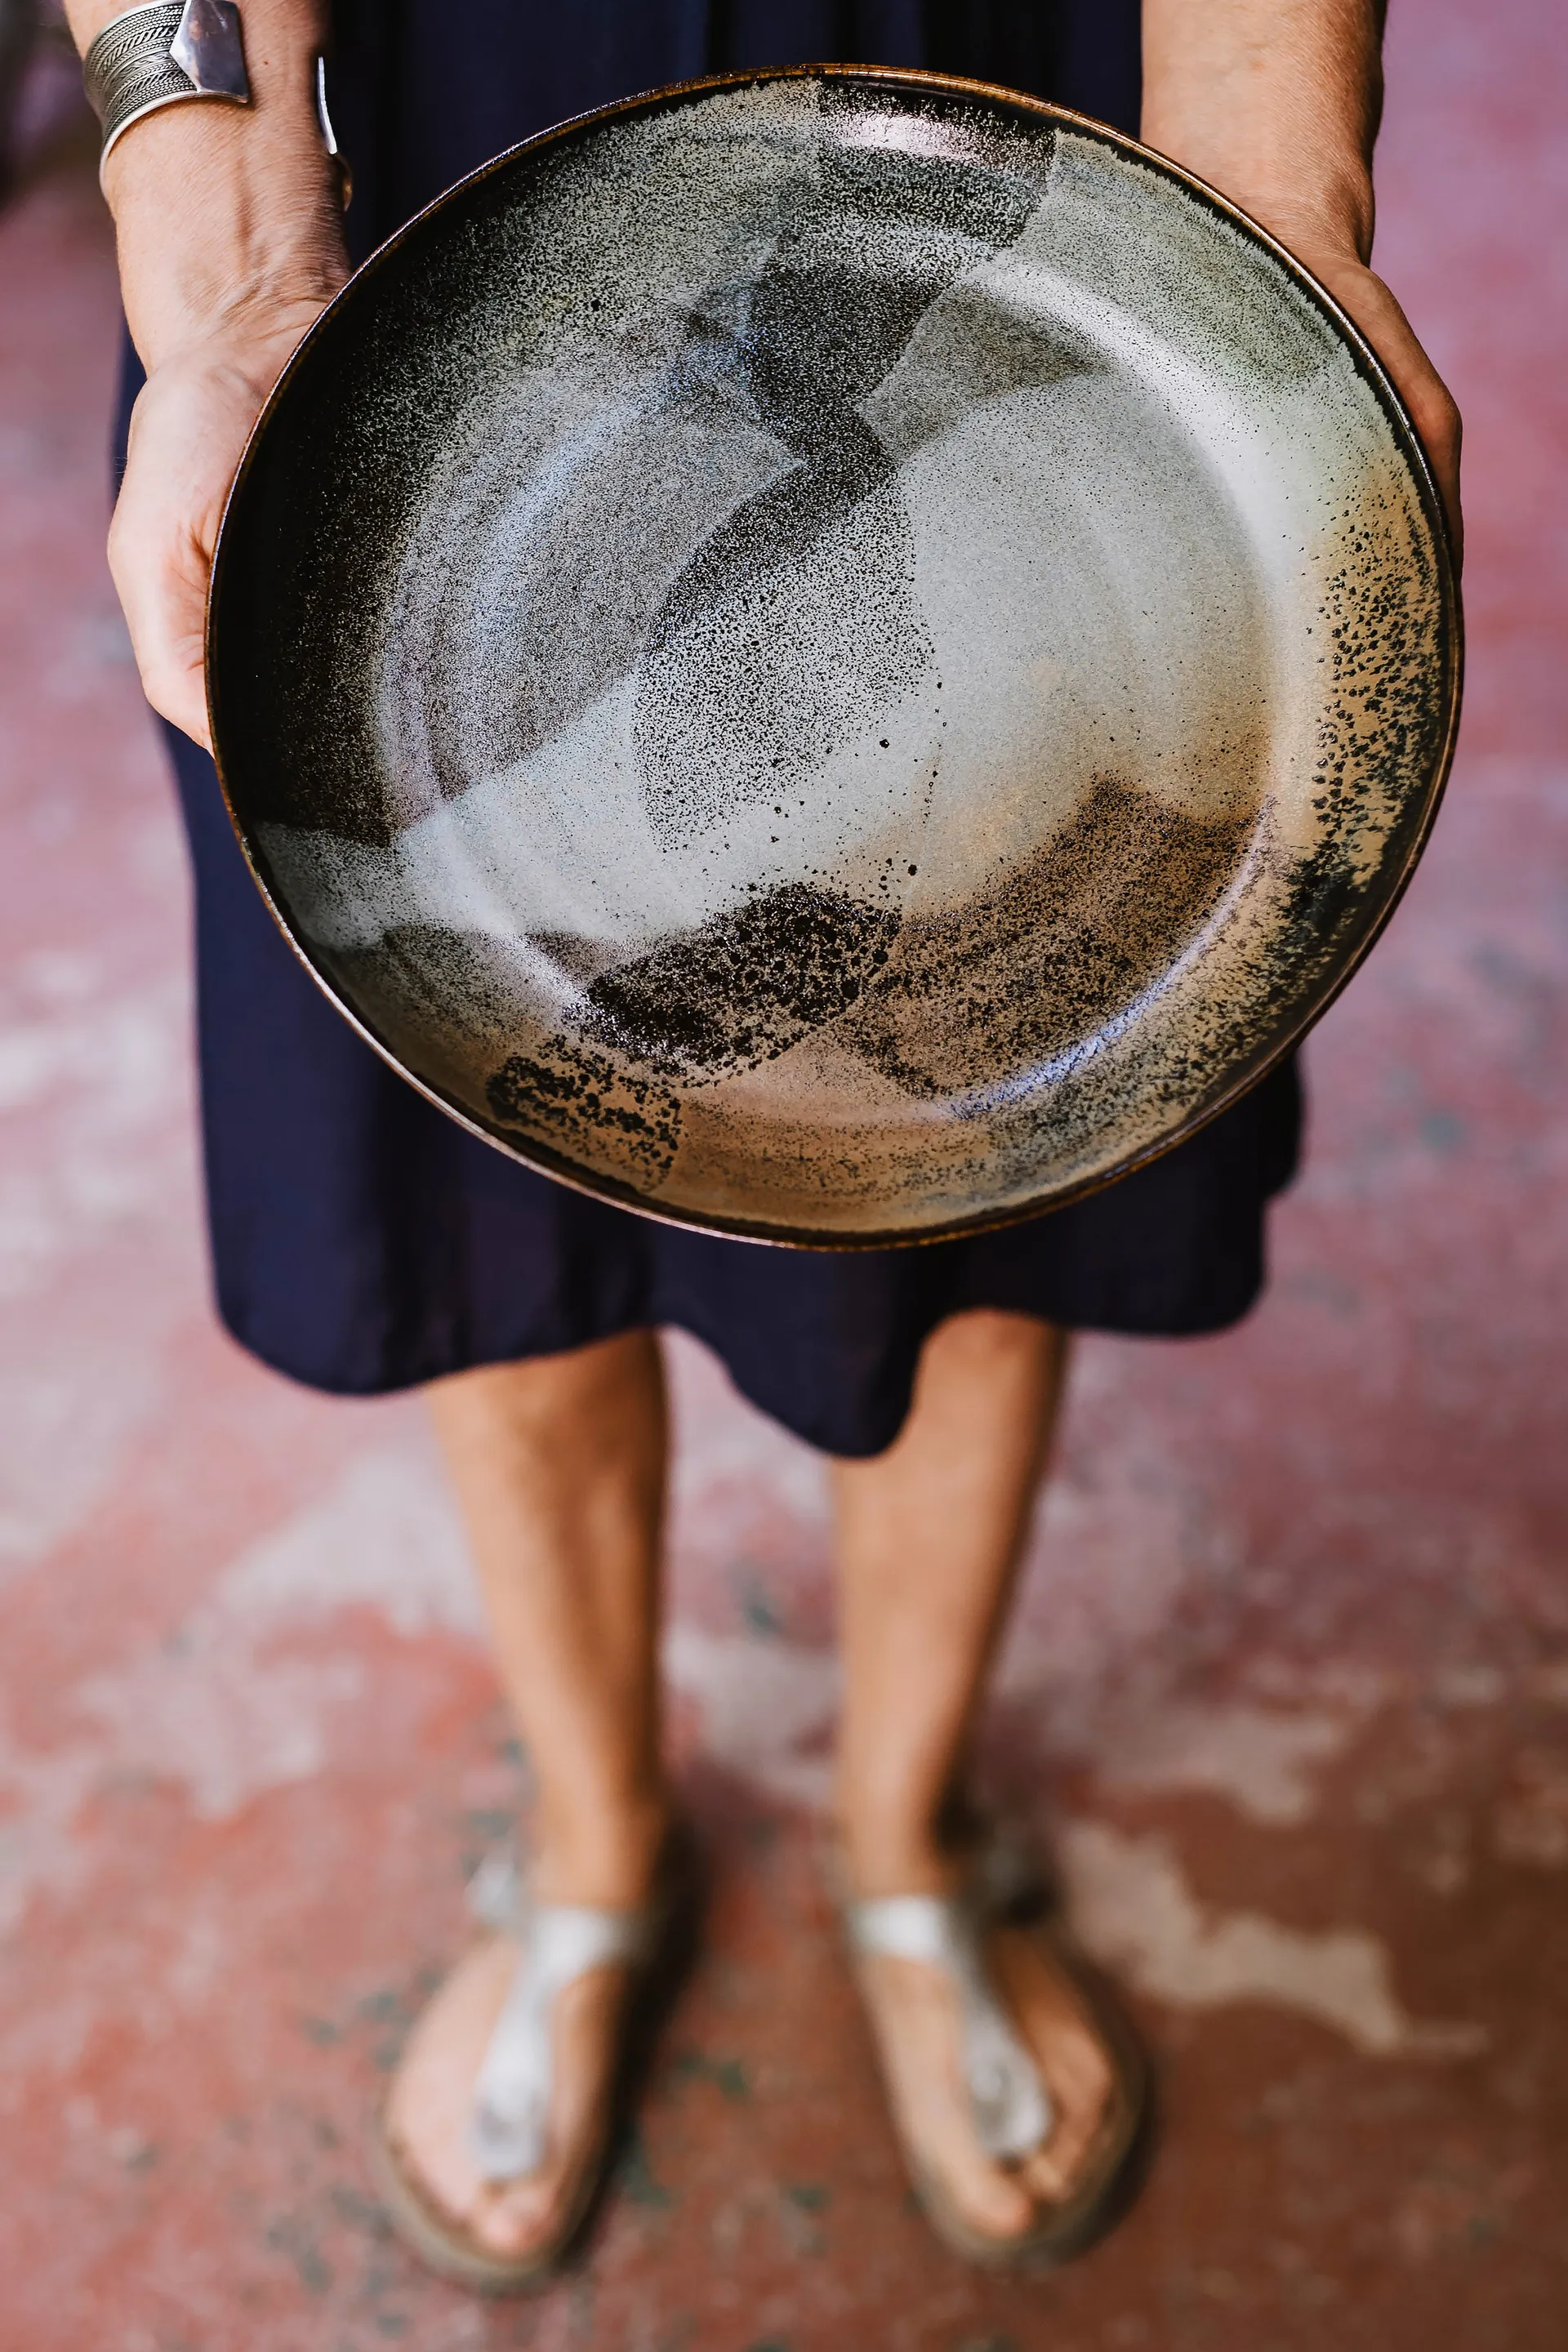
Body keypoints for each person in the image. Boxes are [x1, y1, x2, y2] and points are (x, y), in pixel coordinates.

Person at [64, 0, 1460, 2292]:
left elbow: (1257, 166)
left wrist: (1273, 187)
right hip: (412, 155)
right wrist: (222, 274)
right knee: (476, 1169)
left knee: (999, 1132)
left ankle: (909, 1837)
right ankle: (599, 1843)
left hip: (1008, 140)